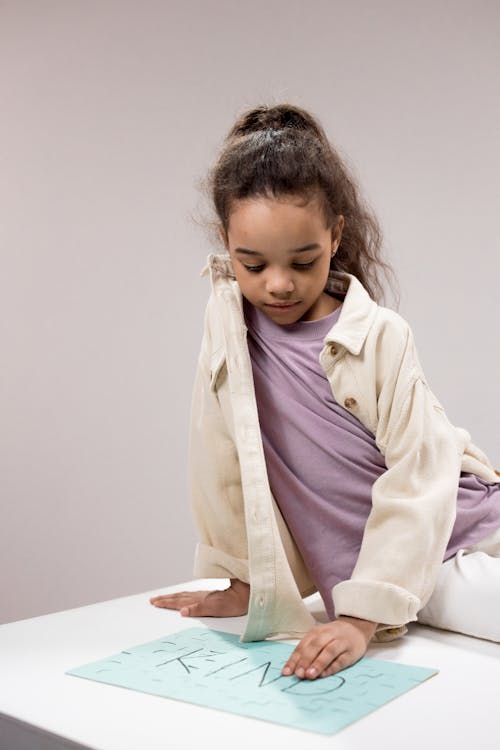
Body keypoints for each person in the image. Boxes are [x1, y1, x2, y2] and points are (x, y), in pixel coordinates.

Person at [150, 103, 500, 681]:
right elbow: (223, 462)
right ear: (224, 241)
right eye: (253, 263)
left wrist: (361, 619)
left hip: (445, 538)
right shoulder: (228, 333)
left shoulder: (379, 335)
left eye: (303, 261)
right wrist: (245, 580)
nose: (279, 283)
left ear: (335, 235)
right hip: (402, 573)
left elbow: (422, 470)